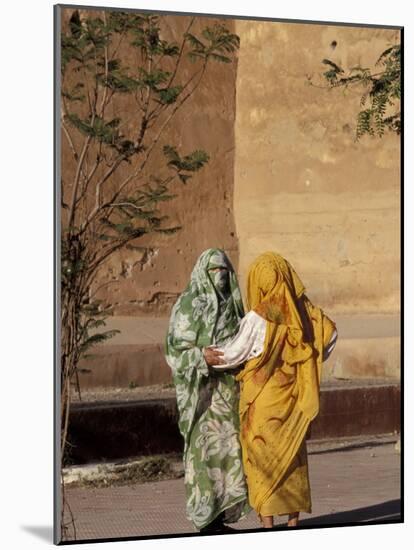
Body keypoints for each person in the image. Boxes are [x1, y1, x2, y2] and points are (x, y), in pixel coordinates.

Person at [207, 251, 338, 528]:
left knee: (262, 461)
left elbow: (233, 354)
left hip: (263, 404)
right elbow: (330, 335)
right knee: (292, 460)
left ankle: (268, 526)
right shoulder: (308, 313)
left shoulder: (259, 317)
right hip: (294, 402)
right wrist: (313, 360)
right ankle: (293, 523)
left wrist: (203, 355)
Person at [164, 248, 251, 533]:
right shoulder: (188, 305)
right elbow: (174, 352)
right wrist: (201, 357)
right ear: (203, 272)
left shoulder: (234, 305)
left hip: (228, 394)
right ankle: (205, 522)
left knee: (228, 454)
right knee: (203, 456)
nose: (221, 276)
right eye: (215, 271)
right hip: (201, 398)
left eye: (225, 270)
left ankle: (220, 519)